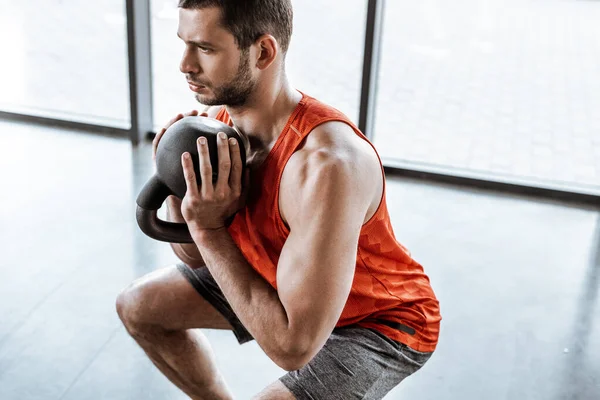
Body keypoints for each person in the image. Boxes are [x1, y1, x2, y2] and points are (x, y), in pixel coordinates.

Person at [116, 0, 441, 399]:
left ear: (263, 52)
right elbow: (196, 257)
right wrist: (181, 193)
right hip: (272, 274)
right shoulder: (218, 127)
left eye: (205, 48)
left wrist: (207, 226)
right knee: (139, 306)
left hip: (376, 321)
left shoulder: (326, 167)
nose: (185, 64)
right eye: (184, 44)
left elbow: (292, 346)